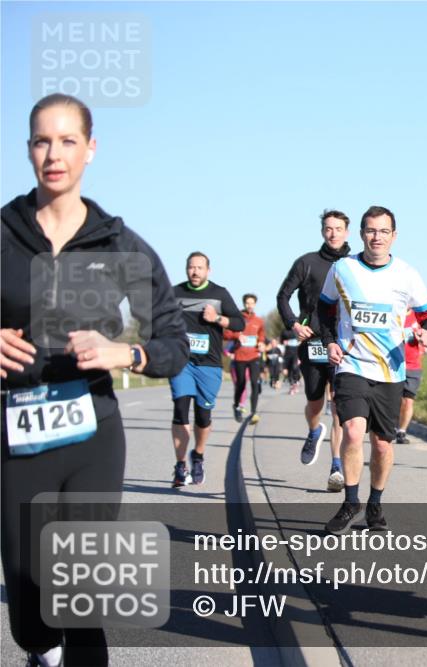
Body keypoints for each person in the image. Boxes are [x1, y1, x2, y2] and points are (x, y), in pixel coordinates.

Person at [1, 93, 188, 667]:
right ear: (29, 148)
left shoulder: (120, 246)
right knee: (30, 598)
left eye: (67, 141)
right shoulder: (3, 235)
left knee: (81, 593)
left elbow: (173, 343)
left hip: (92, 429)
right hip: (18, 432)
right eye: (41, 140)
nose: (53, 154)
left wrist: (124, 354)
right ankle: (38, 647)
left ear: (91, 149)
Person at [320, 206, 427, 532]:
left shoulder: (407, 274)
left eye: (384, 231)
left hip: (390, 371)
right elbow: (324, 307)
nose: (377, 237)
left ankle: (375, 503)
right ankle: (350, 502)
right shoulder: (343, 269)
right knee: (354, 432)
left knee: (383, 445)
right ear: (361, 234)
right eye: (371, 230)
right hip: (351, 364)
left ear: (394, 236)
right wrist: (329, 340)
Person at [276, 209, 352, 491]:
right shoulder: (306, 263)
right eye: (328, 228)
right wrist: (294, 324)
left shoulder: (354, 264)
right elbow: (282, 296)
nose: (333, 233)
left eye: (338, 228)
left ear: (347, 231)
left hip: (344, 344)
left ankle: (336, 467)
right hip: (313, 342)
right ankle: (313, 430)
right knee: (315, 401)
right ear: (323, 231)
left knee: (340, 407)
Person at [169, 252, 244, 487]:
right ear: (186, 269)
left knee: (203, 416)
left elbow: (239, 323)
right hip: (182, 363)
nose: (195, 272)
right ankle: (180, 466)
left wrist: (218, 318)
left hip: (210, 365)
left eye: (200, 268)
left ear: (208, 271)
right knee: (180, 410)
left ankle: (198, 455)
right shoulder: (175, 293)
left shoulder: (219, 294)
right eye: (191, 267)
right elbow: (159, 320)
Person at [223, 293, 266, 424]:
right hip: (240, 356)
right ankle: (236, 405)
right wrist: (237, 336)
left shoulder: (259, 321)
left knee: (254, 382)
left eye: (252, 303)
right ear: (244, 304)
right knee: (241, 384)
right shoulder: (237, 319)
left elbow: (261, 335)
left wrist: (261, 343)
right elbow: (226, 334)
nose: (250, 305)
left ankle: (253, 412)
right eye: (247, 303)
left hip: (254, 356)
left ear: (255, 304)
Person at [395, 308, 426, 444]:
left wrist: (422, 338)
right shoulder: (393, 313)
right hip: (394, 364)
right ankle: (390, 426)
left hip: (413, 365)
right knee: (395, 400)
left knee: (408, 400)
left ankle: (401, 431)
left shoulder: (418, 316)